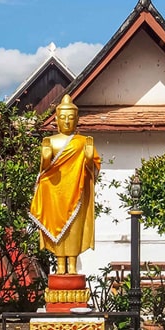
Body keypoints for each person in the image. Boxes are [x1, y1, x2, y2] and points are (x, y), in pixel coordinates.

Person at [29, 94, 101, 275]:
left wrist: (90, 158)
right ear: (57, 120)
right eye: (63, 118)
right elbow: (45, 170)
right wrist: (45, 158)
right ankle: (60, 265)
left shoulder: (83, 141)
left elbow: (93, 170)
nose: (67, 121)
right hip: (55, 194)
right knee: (57, 227)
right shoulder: (50, 141)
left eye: (71, 118)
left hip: (76, 192)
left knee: (73, 229)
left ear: (77, 120)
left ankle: (72, 265)